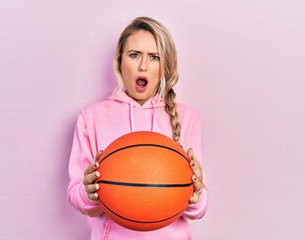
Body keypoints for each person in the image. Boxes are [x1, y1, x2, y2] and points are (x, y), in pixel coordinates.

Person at [67, 16, 208, 239]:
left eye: (154, 57)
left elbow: (199, 210)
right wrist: (90, 192)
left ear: (165, 66)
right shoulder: (91, 118)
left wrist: (196, 192)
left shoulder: (188, 118)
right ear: (120, 62)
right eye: (134, 55)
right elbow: (76, 196)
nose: (143, 66)